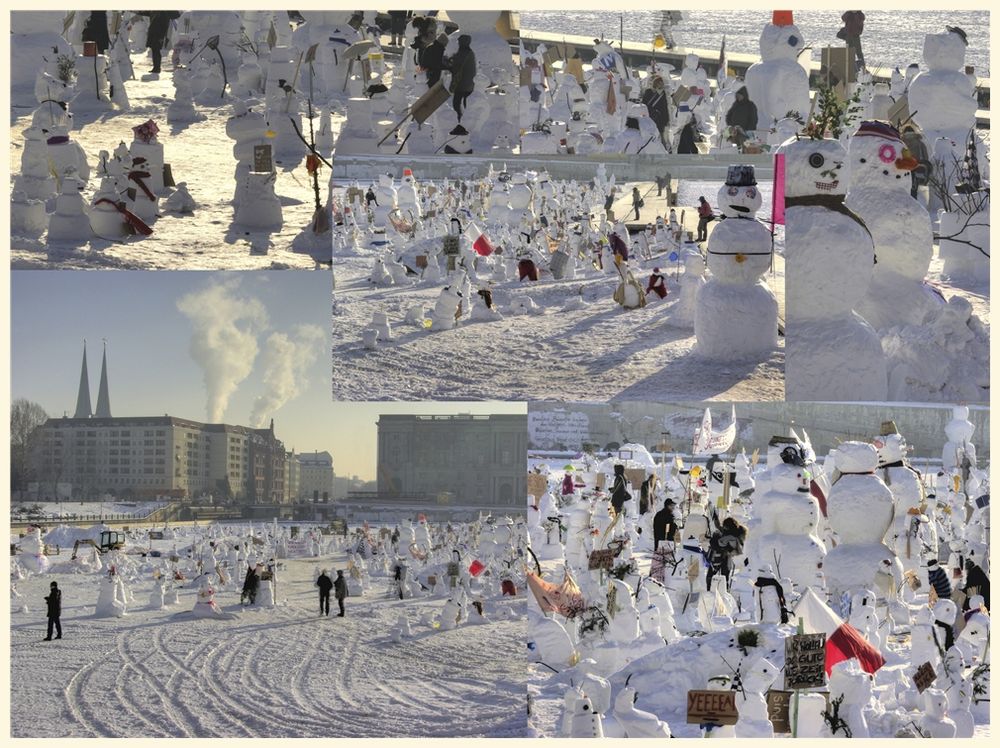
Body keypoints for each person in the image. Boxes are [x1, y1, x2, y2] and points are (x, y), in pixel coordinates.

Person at [140, 11, 180, 75]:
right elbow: (147, 12)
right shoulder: (155, 11)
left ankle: (157, 68)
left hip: (159, 33)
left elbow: (176, 14)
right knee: (154, 50)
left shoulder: (165, 12)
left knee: (156, 50)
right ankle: (156, 67)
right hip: (153, 32)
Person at [448, 34, 477, 122]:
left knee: (457, 103)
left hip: (461, 84)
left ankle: (460, 118)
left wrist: (449, 63)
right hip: (469, 83)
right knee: (466, 102)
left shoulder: (463, 52)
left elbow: (456, 67)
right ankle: (466, 118)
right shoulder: (470, 52)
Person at [900, 123, 931, 199]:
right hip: (917, 170)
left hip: (903, 171)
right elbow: (925, 158)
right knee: (914, 192)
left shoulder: (900, 143)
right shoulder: (920, 143)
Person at [725, 86, 758, 152]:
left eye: (740, 96)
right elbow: (729, 115)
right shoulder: (736, 104)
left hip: (746, 132)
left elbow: (754, 119)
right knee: (728, 141)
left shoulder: (750, 105)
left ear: (744, 96)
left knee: (745, 146)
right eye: (738, 96)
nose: (739, 97)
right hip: (734, 131)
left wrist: (748, 129)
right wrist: (730, 125)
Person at [641, 75, 670, 146]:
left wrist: (666, 120)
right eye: (660, 83)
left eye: (662, 83)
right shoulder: (648, 92)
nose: (662, 85)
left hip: (660, 120)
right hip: (650, 118)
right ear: (656, 83)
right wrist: (653, 111)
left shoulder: (663, 94)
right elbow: (644, 104)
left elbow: (665, 108)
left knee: (661, 137)